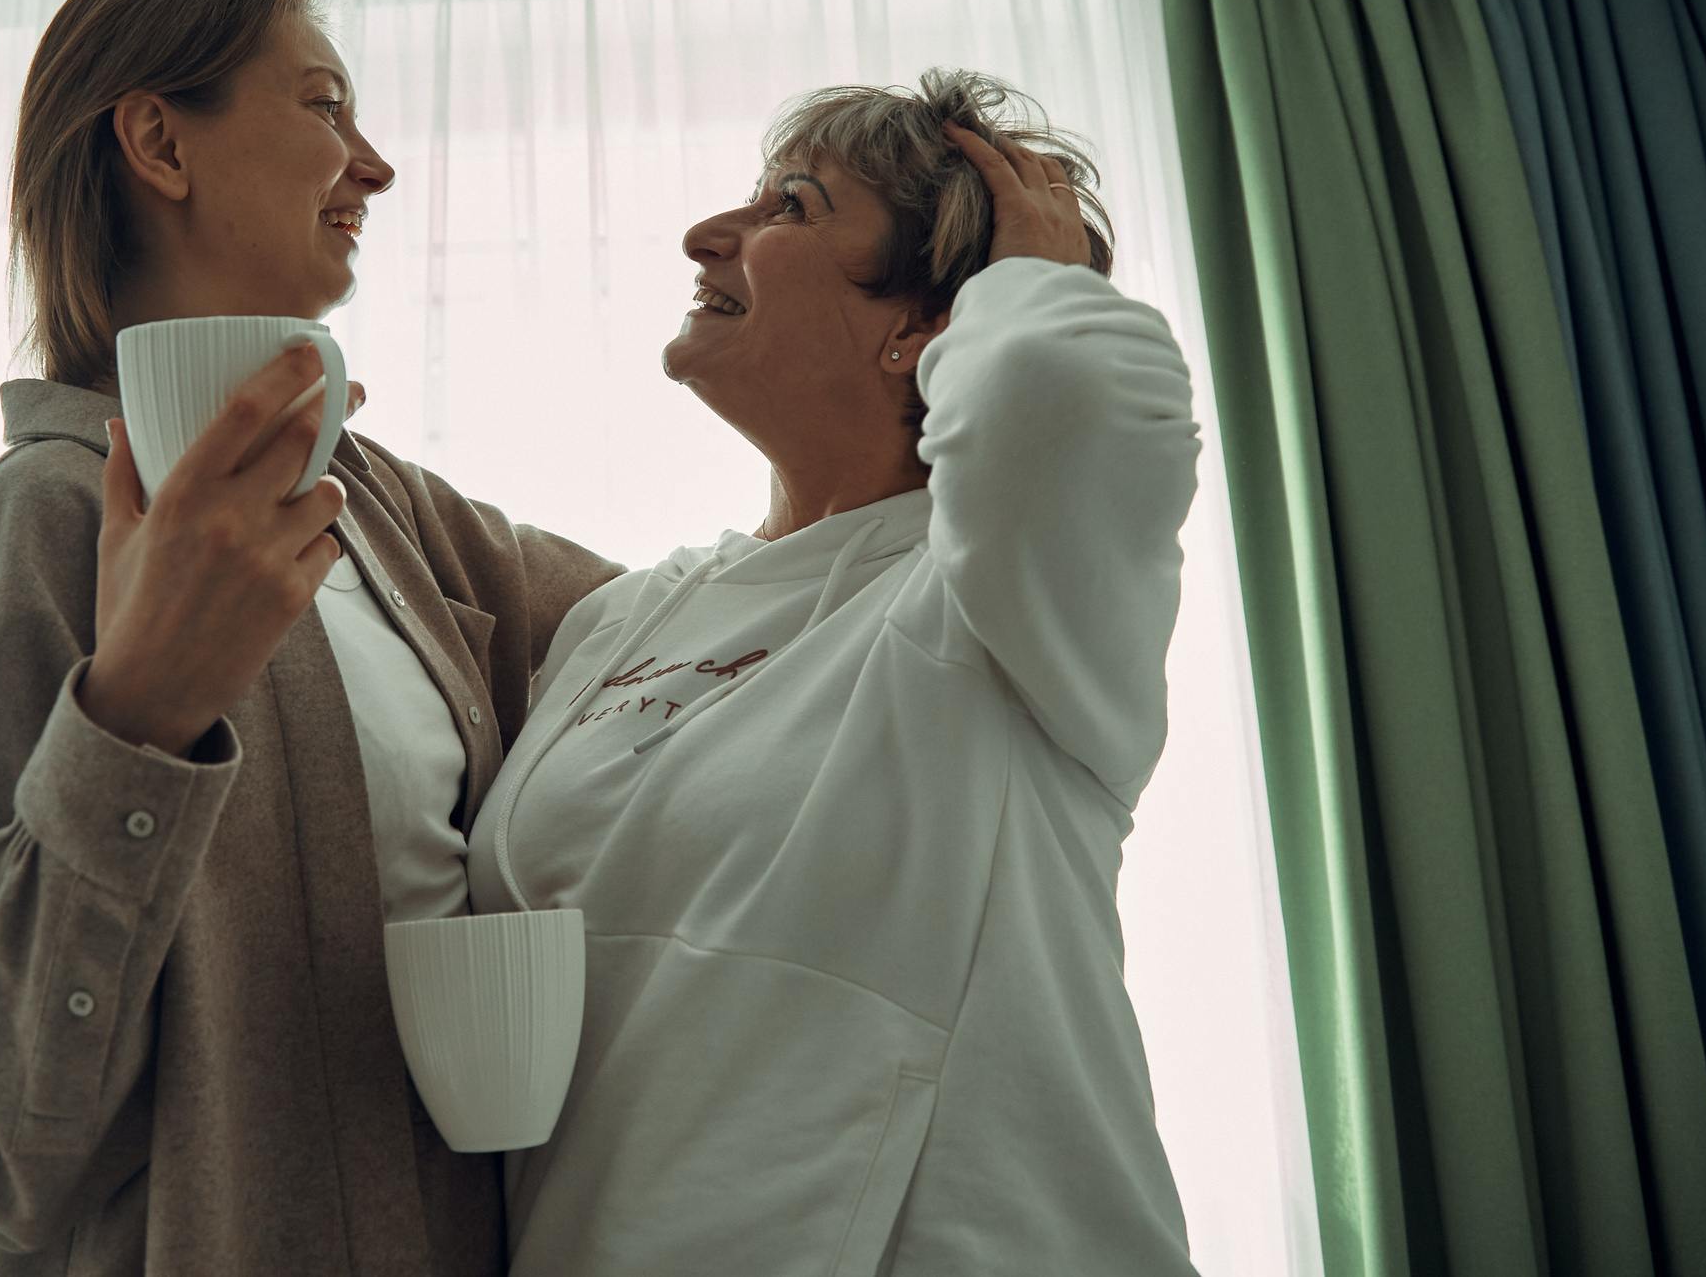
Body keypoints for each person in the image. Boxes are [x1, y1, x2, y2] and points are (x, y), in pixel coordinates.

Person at [0, 0, 619, 1277]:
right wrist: (137, 719)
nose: (373, 165)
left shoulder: (382, 511)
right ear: (160, 140)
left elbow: (689, 638)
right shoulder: (40, 524)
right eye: (326, 103)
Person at [468, 70, 1202, 1274]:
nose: (709, 234)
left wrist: (1027, 275)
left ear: (922, 328)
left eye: (789, 207)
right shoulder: (627, 615)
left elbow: (1062, 395)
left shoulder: (1001, 599)